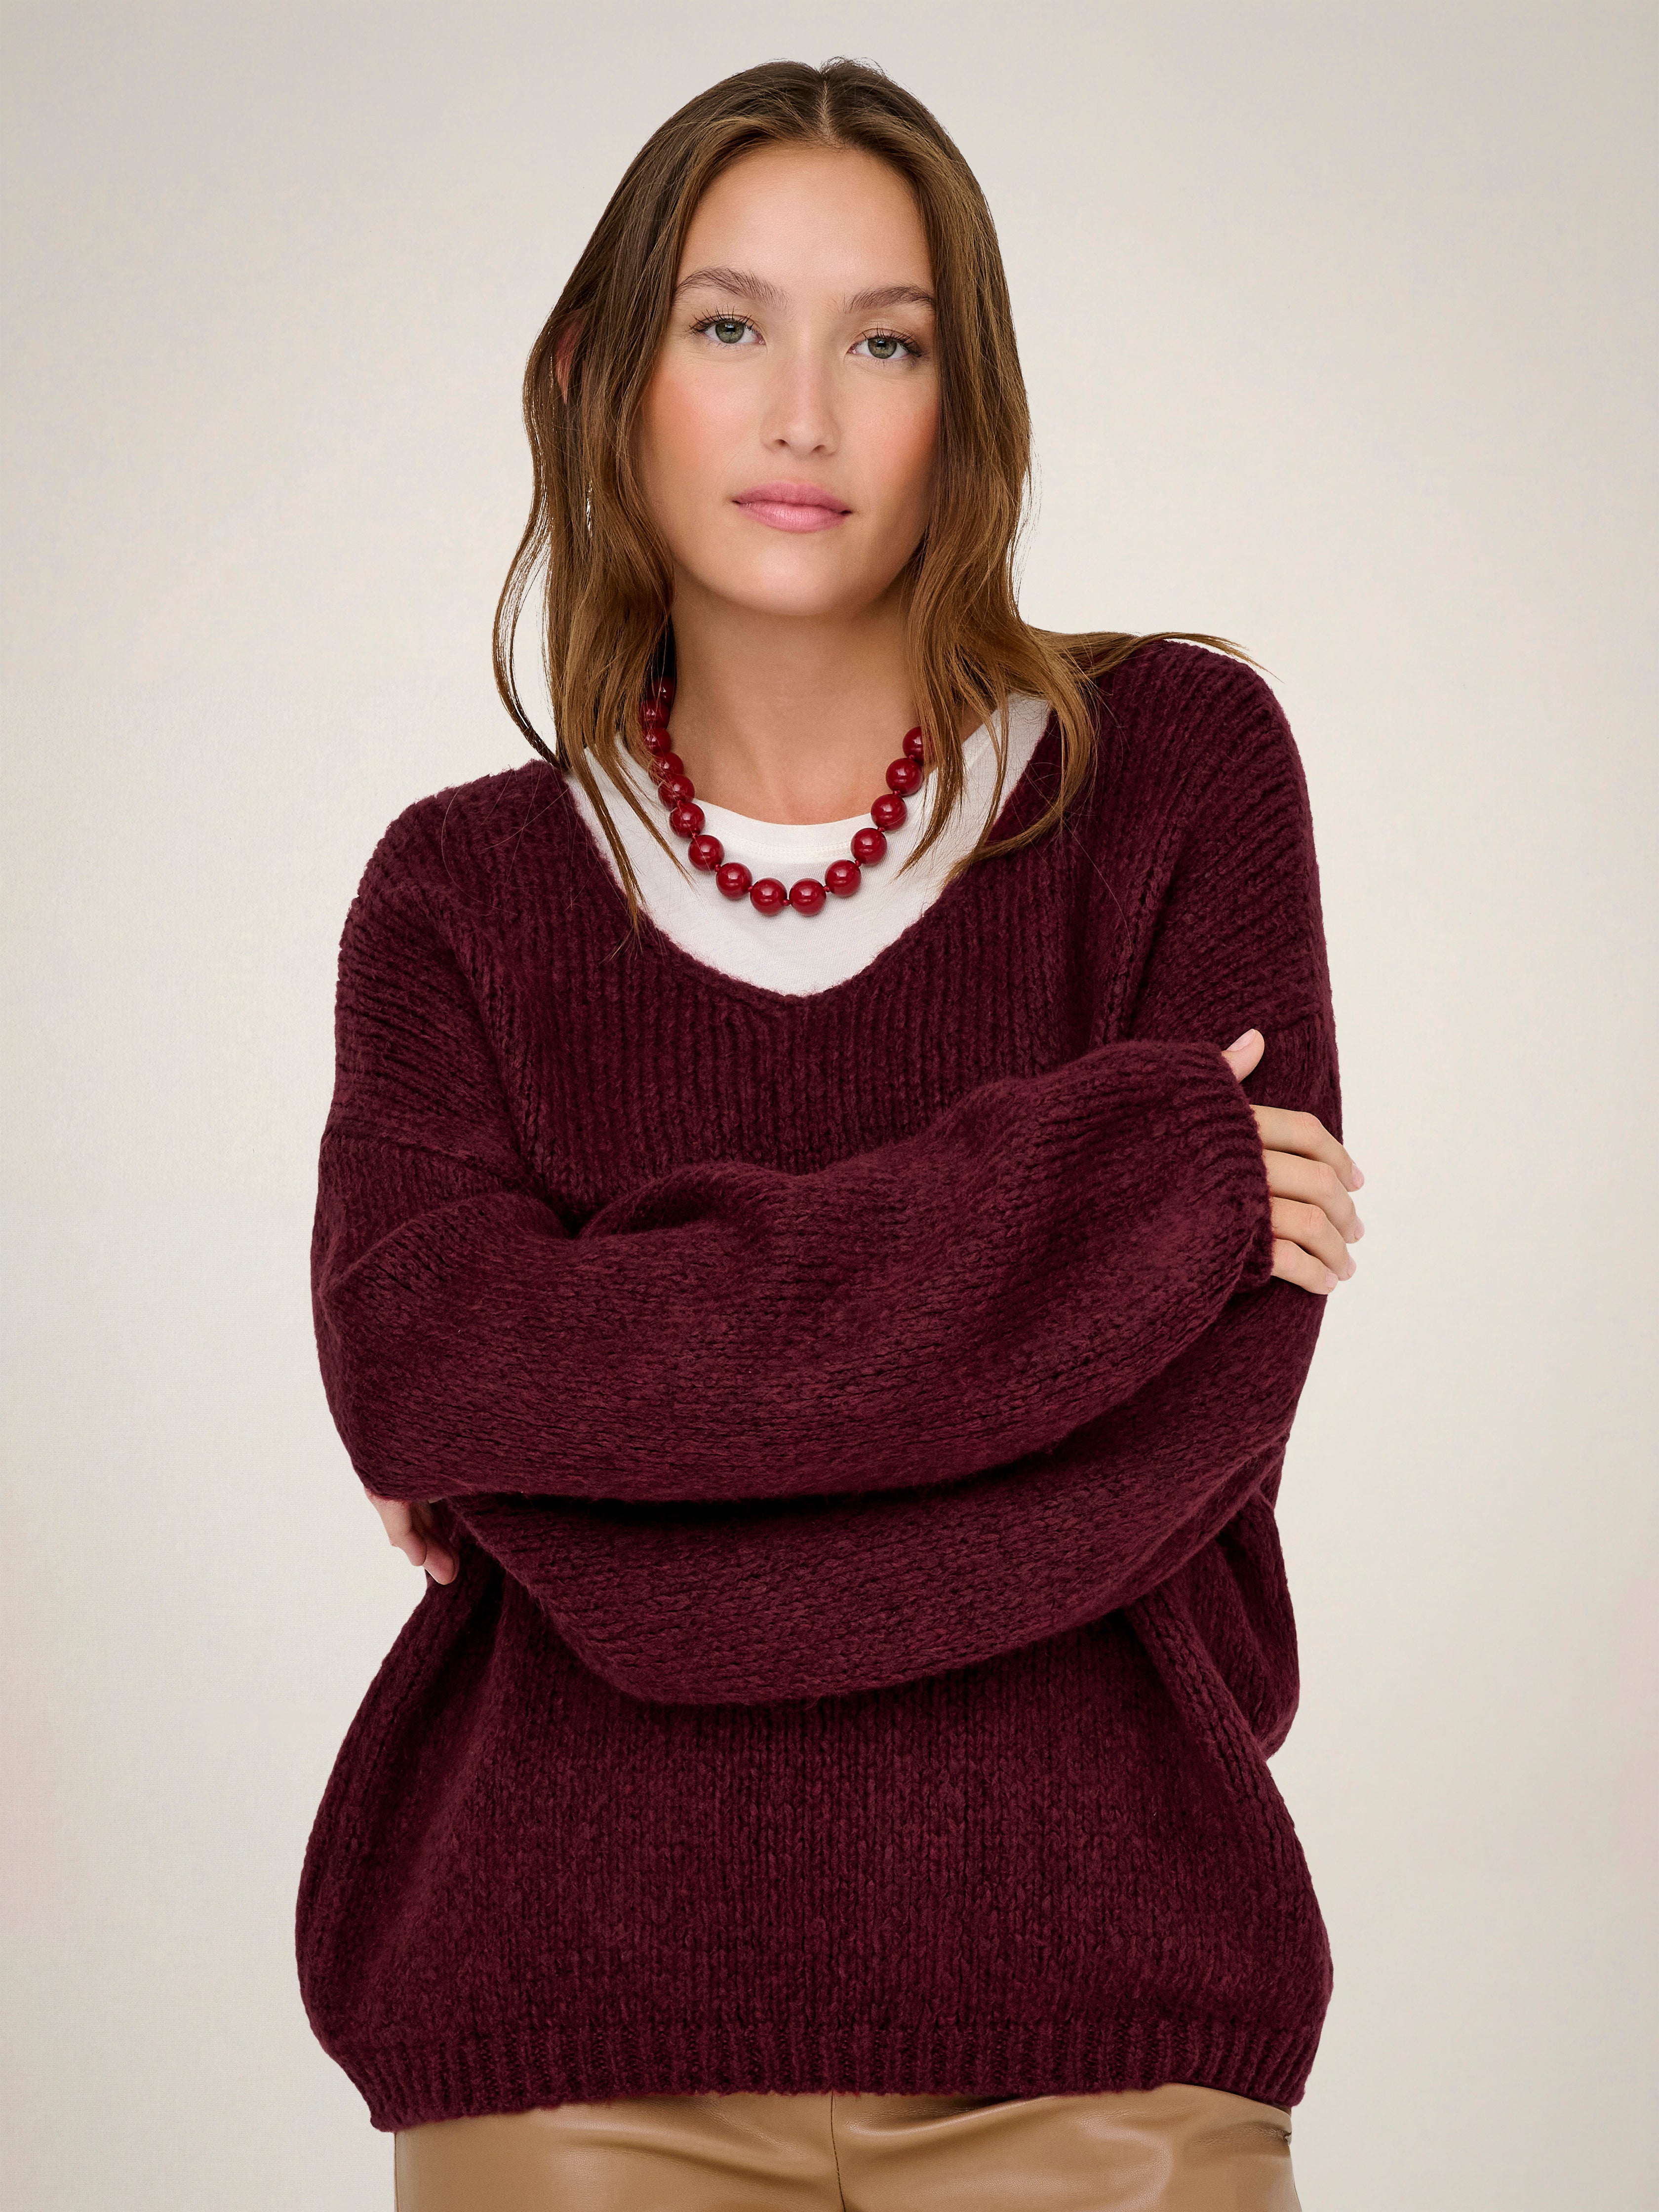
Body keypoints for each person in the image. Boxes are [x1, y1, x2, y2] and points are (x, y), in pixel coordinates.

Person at [298, 55, 1365, 2212]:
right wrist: (1106, 1189)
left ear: (965, 408)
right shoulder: (458, 893)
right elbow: (422, 1367)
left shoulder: (1176, 771)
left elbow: (1192, 1435)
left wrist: (599, 1453)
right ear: (600, 380)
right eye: (730, 325)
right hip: (563, 2033)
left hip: (1109, 2033)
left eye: (887, 343)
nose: (804, 413)